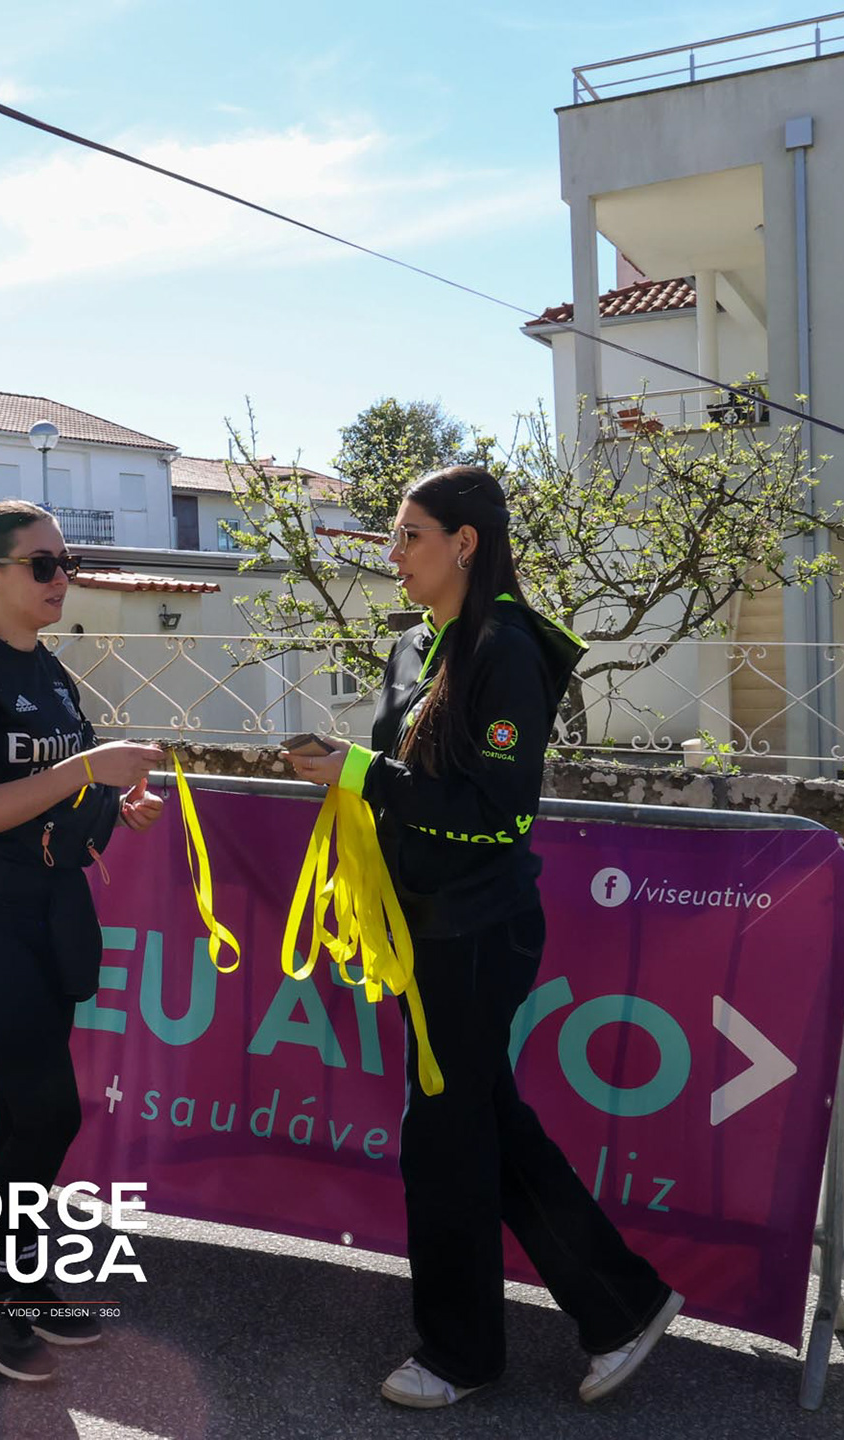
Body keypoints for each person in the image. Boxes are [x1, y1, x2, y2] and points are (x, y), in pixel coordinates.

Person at [283, 466, 683, 1408]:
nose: (393, 554)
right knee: (483, 1123)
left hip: (472, 930)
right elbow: (407, 774)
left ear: (464, 543)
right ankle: (621, 1303)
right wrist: (349, 770)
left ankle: (460, 1353)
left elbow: (495, 815)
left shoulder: (504, 649)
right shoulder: (421, 644)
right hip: (427, 926)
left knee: (444, 1140)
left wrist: (358, 774)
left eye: (409, 535)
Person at [0, 500, 167, 1383]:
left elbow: (55, 792)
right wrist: (85, 767)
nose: (61, 578)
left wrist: (112, 803)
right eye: (42, 564)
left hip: (42, 912)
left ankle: (20, 1283)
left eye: (65, 562)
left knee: (29, 1110)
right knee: (48, 1108)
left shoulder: (47, 668)